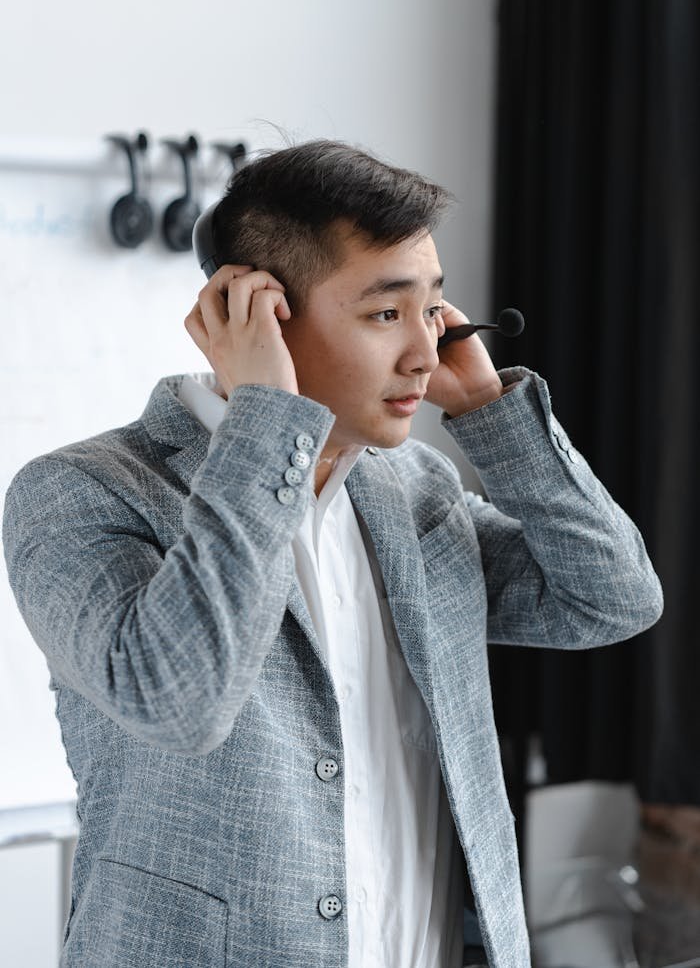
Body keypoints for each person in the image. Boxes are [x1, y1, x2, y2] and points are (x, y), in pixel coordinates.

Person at [2, 140, 663, 968]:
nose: (425, 353)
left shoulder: (415, 491)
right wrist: (265, 420)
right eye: (386, 315)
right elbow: (183, 701)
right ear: (261, 316)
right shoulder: (81, 492)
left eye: (433, 310)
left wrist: (491, 412)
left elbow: (612, 597)